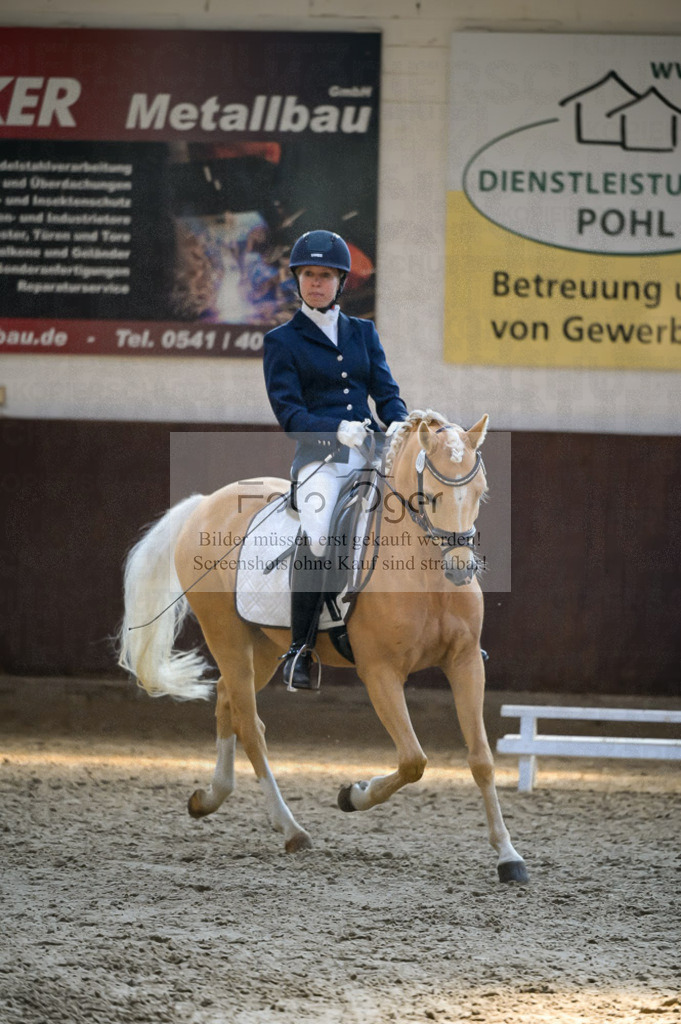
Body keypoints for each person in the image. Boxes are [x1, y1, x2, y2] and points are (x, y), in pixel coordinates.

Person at [263, 229, 408, 690]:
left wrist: (401, 424)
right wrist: (335, 430)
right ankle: (300, 648)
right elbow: (289, 413)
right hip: (320, 460)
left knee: (418, 511)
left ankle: (450, 625)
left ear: (341, 281)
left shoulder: (363, 332)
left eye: (325, 276)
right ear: (297, 280)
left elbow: (386, 394)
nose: (316, 283)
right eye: (308, 274)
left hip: (370, 452)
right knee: (320, 533)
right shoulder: (282, 341)